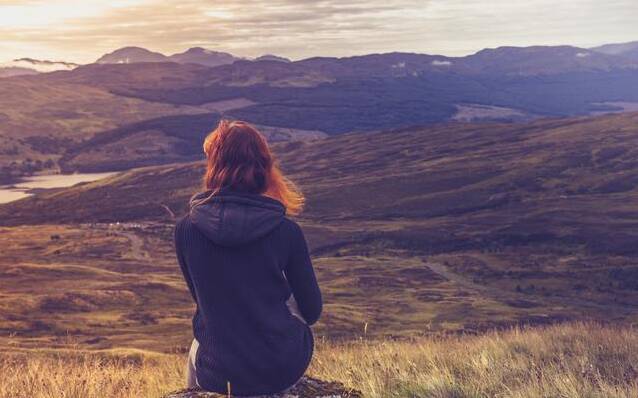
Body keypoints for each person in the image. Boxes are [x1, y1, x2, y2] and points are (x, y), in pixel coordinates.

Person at [174, 120, 322, 396]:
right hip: (280, 367)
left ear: (214, 166)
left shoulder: (186, 229)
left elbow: (203, 301)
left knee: (199, 343)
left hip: (217, 374)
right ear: (264, 168)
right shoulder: (286, 231)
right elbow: (311, 311)